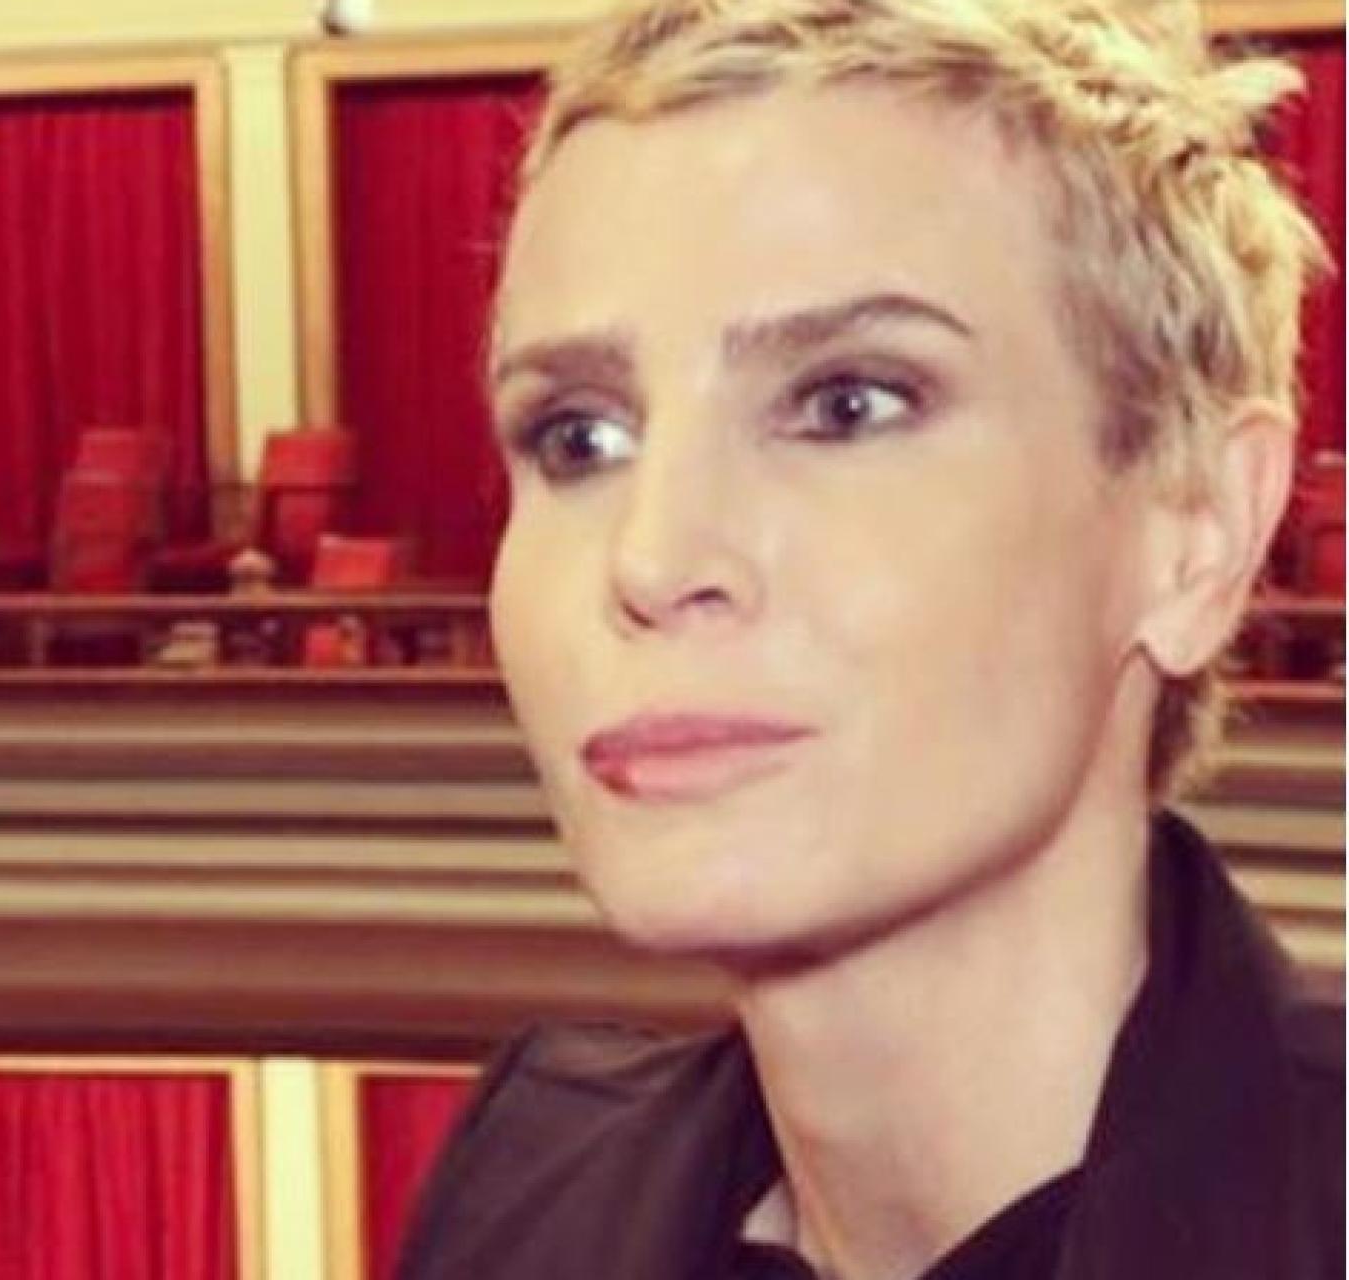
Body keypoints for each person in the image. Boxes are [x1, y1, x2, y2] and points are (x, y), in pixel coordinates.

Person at [396, 1, 1342, 1277]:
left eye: (846, 404)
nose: (652, 559)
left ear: (1197, 527)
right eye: (579, 437)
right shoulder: (525, 1185)